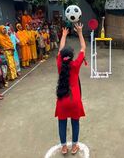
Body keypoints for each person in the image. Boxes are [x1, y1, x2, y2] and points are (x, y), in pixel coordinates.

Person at [55, 23, 86, 155]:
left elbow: (60, 49)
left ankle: (63, 147)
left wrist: (63, 35)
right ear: (72, 57)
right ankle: (74, 147)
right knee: (75, 122)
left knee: (62, 123)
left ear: (61, 57)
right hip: (75, 100)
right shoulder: (76, 65)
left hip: (62, 99)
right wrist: (79, 32)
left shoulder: (59, 64)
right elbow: (83, 47)